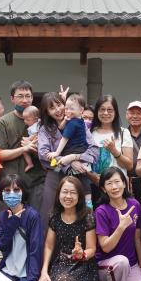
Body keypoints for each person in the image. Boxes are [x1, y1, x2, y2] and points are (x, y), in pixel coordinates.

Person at [38, 177, 99, 281]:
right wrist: (44, 271)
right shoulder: (54, 216)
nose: (68, 196)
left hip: (83, 265)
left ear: (79, 196)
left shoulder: (87, 216)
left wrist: (81, 254)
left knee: (65, 280)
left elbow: (92, 249)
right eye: (64, 192)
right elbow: (49, 245)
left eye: (73, 193)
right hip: (61, 263)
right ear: (58, 194)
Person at [94, 167, 141, 281]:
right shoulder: (101, 211)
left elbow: (137, 238)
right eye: (109, 183)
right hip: (106, 266)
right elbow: (105, 247)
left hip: (130, 265)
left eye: (118, 182)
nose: (114, 187)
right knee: (121, 262)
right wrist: (121, 227)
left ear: (125, 184)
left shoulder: (135, 205)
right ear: (104, 189)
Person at [38, 91, 99, 221]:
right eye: (51, 108)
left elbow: (94, 150)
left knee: (83, 215)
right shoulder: (45, 129)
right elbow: (43, 154)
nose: (57, 110)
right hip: (55, 175)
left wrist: (74, 158)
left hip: (80, 173)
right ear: (47, 112)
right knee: (51, 215)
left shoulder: (79, 123)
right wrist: (68, 163)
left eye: (59, 105)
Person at [0, 80, 44, 211]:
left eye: (28, 96)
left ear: (32, 98)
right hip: (11, 185)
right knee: (10, 224)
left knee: (36, 223)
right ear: (12, 99)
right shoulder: (3, 122)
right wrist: (24, 149)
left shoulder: (41, 122)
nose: (25, 100)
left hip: (37, 182)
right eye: (20, 96)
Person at [0, 174, 44, 281]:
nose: (12, 193)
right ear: (2, 193)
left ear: (23, 192)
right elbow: (1, 245)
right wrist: (11, 225)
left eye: (16, 190)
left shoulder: (32, 216)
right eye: (7, 190)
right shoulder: (2, 216)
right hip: (8, 270)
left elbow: (35, 251)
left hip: (27, 273)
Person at [88, 95, 134, 184]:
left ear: (115, 112)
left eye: (110, 110)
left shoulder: (123, 133)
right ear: (97, 112)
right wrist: (90, 175)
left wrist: (114, 151)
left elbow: (129, 166)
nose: (105, 113)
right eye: (102, 109)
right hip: (94, 186)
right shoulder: (89, 133)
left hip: (117, 187)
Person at [46, 93, 90, 170]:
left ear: (81, 110)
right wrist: (65, 120)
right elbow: (60, 127)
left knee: (59, 166)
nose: (68, 111)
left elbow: (64, 139)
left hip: (73, 150)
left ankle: (56, 167)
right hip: (82, 150)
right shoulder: (80, 120)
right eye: (66, 108)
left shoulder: (73, 123)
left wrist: (57, 153)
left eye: (71, 109)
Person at [125, 100, 141, 203]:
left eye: (139, 113)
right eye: (132, 113)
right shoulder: (122, 134)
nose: (135, 116)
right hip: (127, 182)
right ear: (126, 115)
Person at [21, 105, 40, 172]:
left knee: (24, 151)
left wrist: (29, 139)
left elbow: (36, 134)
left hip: (38, 144)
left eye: (28, 120)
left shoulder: (35, 126)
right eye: (24, 119)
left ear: (36, 118)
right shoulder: (37, 123)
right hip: (35, 144)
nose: (25, 121)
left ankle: (30, 164)